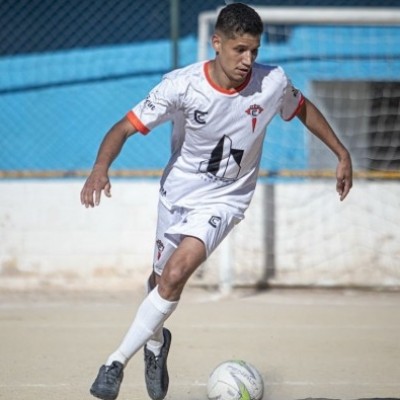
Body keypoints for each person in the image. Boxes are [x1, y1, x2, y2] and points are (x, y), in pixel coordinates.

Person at [81, 3, 353, 400]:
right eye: (240, 49)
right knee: (159, 280)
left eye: (254, 51)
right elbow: (125, 127)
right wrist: (100, 167)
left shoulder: (273, 82)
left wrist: (341, 152)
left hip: (226, 199)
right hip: (177, 195)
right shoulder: (181, 86)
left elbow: (301, 108)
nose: (248, 60)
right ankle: (156, 343)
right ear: (217, 42)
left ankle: (114, 363)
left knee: (176, 274)